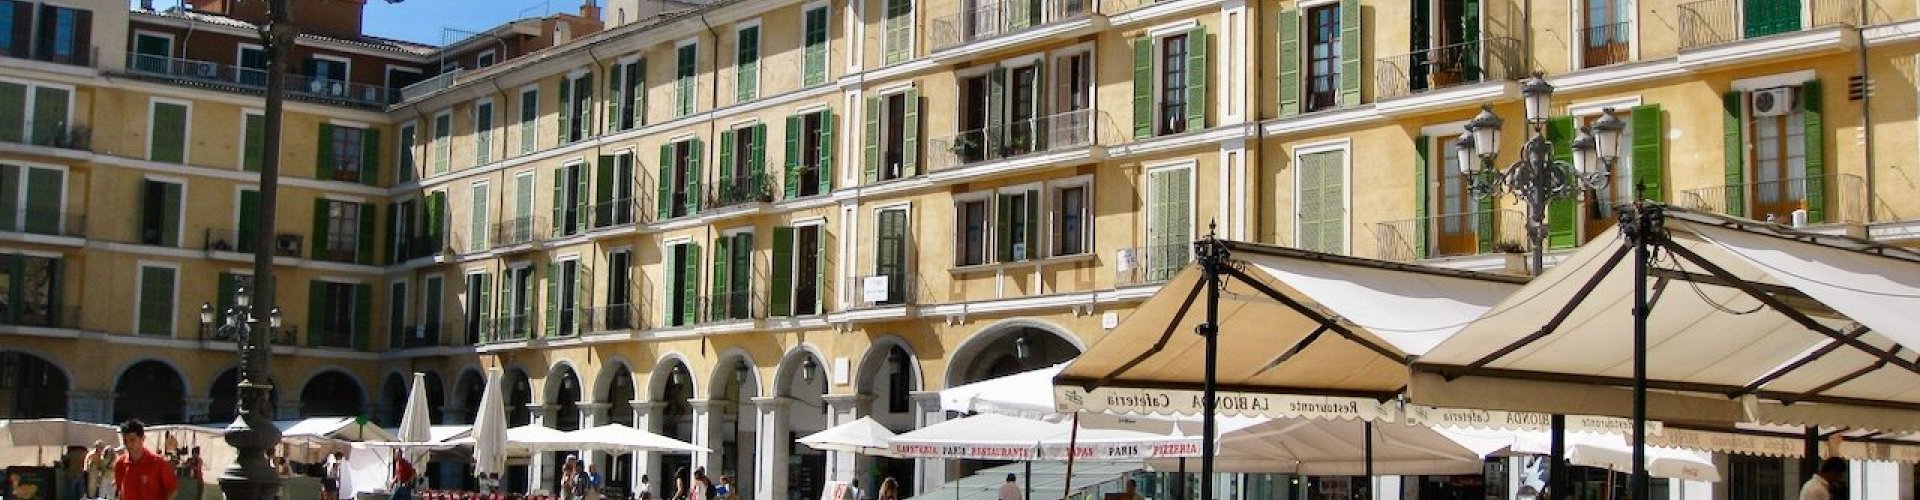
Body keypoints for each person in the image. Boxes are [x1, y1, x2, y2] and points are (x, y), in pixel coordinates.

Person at [111, 420, 177, 500]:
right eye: (125, 441)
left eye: (132, 440)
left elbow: (172, 489)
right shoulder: (120, 463)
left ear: (142, 438)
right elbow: (120, 492)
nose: (128, 444)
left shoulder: (158, 463)